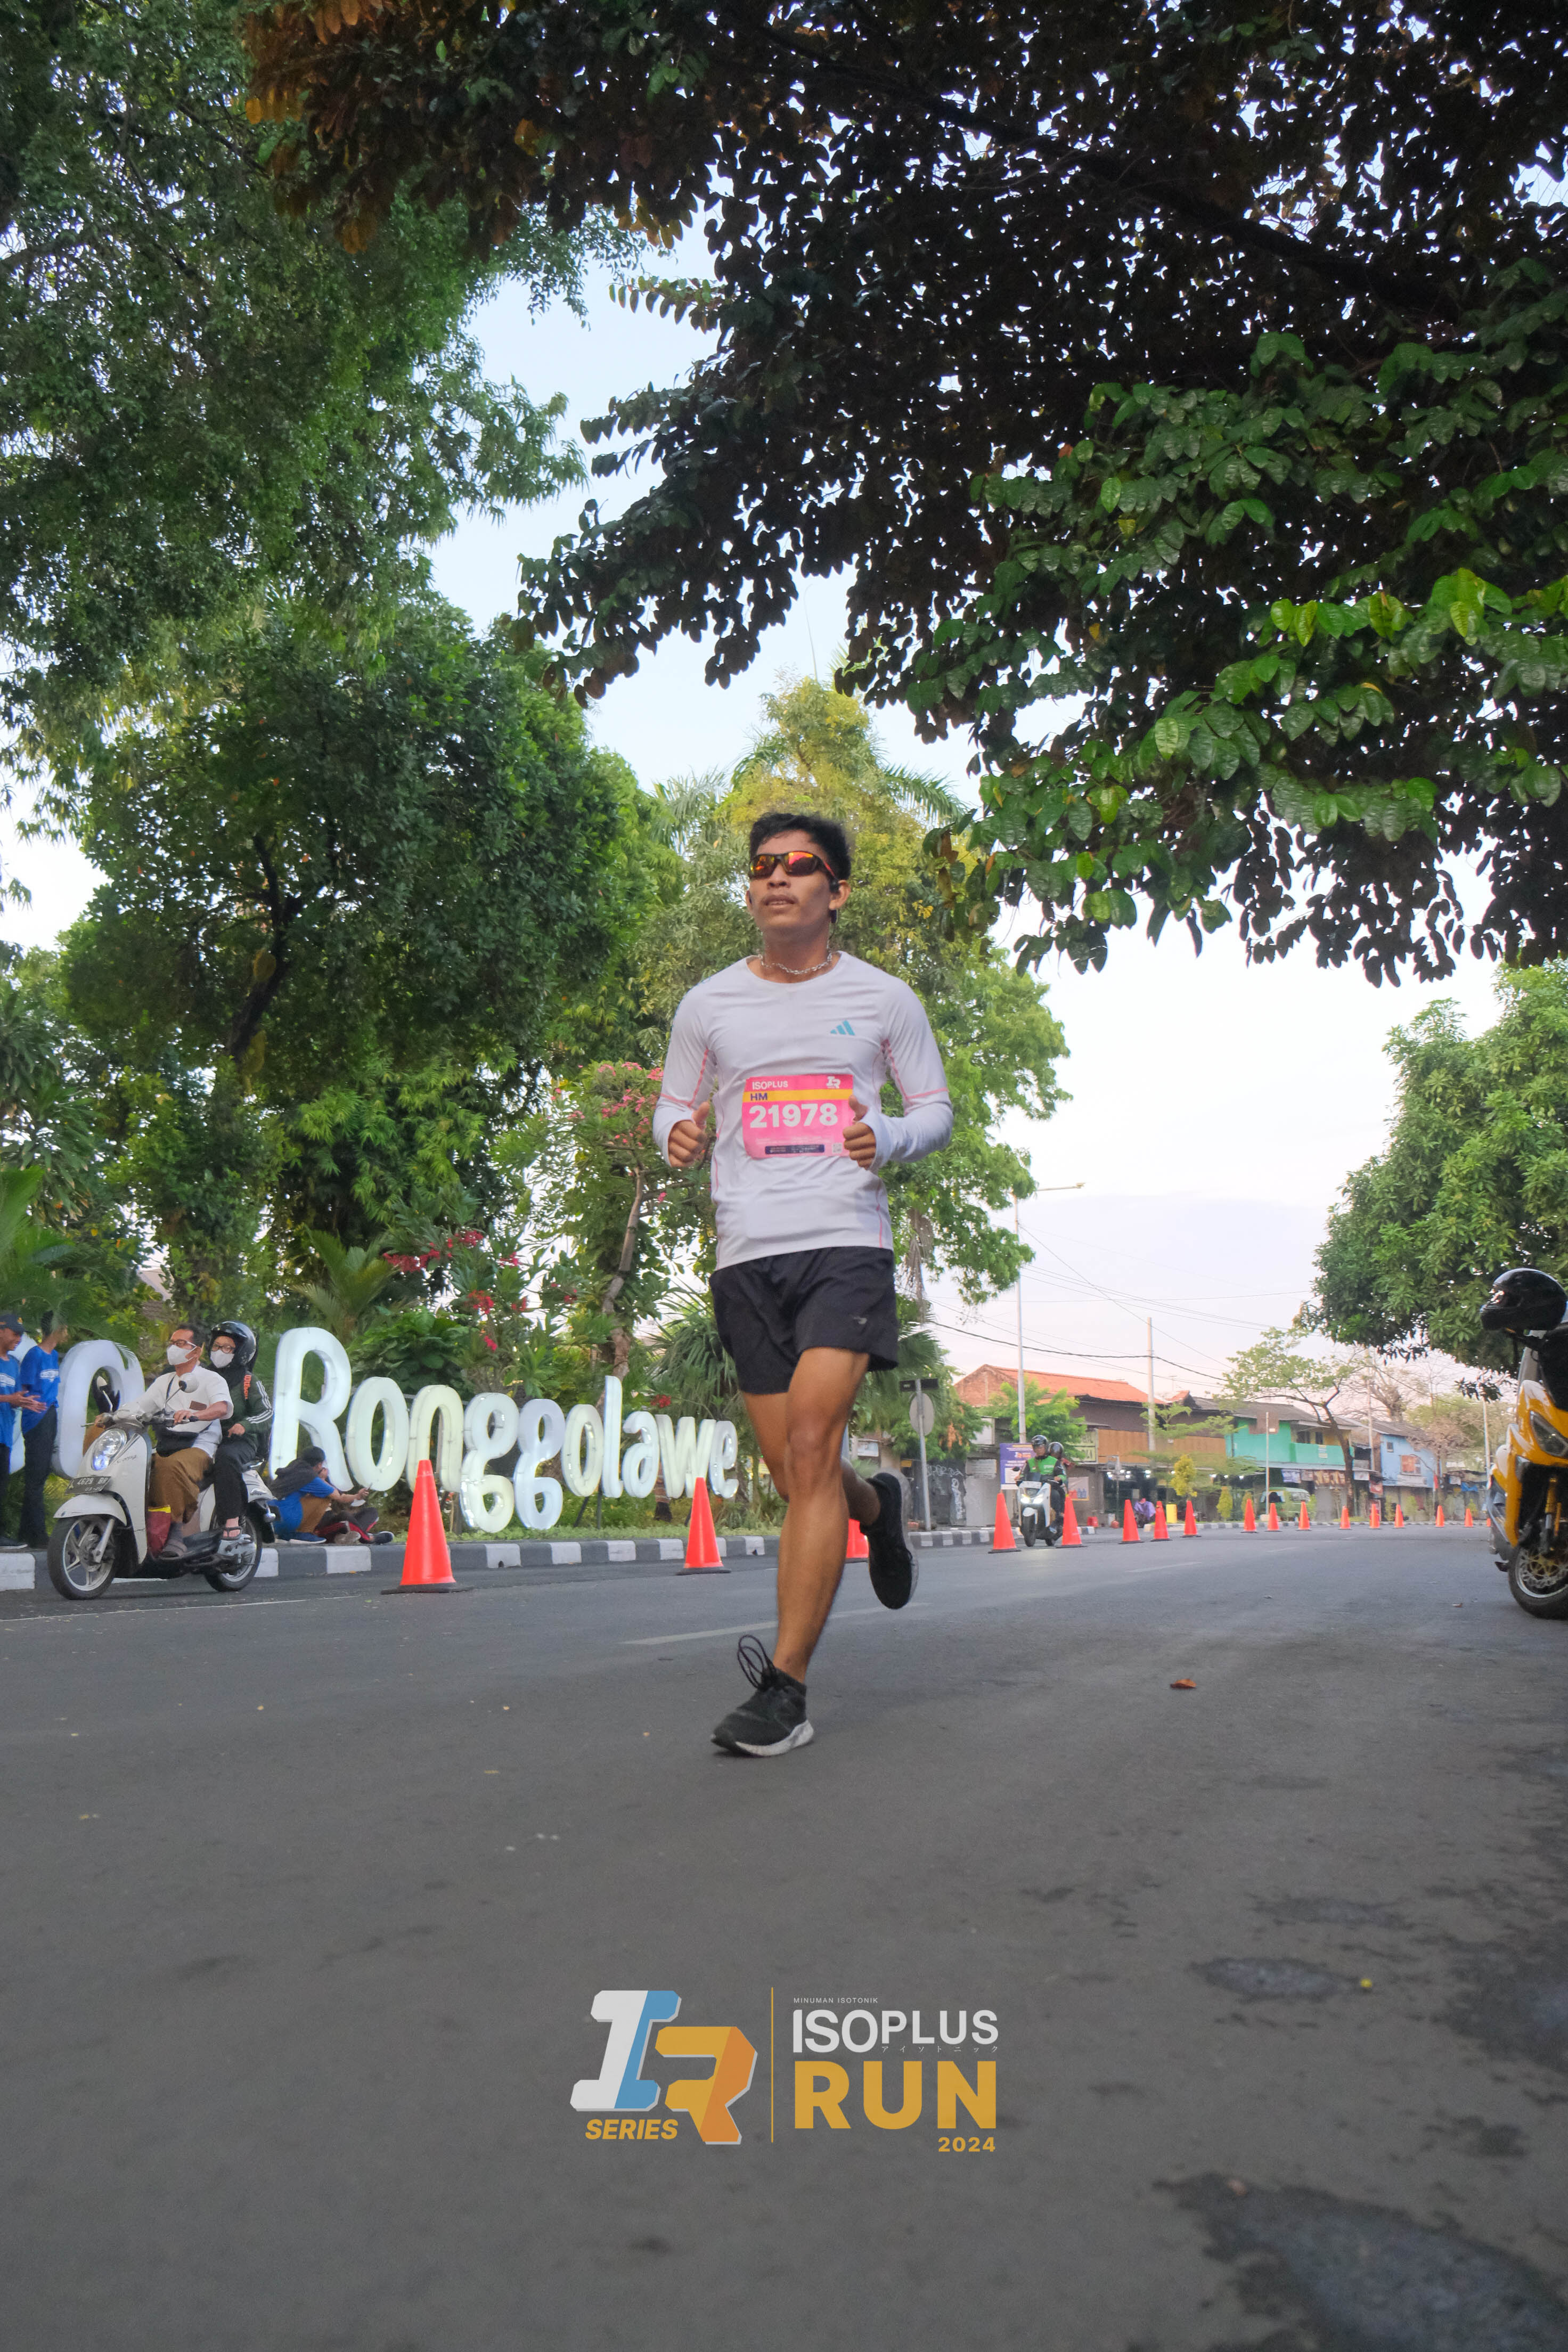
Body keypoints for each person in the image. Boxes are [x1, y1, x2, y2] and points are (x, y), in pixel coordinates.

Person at [654, 807, 953, 1757]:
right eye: (761, 867)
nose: (776, 878)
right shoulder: (708, 1004)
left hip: (843, 1243)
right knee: (797, 1475)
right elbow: (671, 1103)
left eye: (798, 864)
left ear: (837, 890)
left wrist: (889, 1135)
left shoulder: (884, 999)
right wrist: (675, 1134)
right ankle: (877, 1508)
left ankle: (784, 1690)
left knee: (817, 1442)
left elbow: (934, 1108)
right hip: (747, 1253)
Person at [141, 1322, 232, 1558]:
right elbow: (140, 1408)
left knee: (171, 1467)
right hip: (166, 1445)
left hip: (200, 1446)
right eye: (172, 1343)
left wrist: (196, 1415)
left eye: (181, 1343)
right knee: (137, 1467)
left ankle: (175, 1531)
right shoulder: (164, 1382)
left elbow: (222, 1407)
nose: (174, 1348)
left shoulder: (212, 1379)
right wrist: (112, 1415)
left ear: (197, 1351)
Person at [207, 1321, 273, 1539]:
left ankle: (231, 1521)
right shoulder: (202, 1376)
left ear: (242, 1352)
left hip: (239, 1441)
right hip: (203, 1436)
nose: (220, 1351)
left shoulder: (248, 1381)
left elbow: (267, 1412)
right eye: (217, 1346)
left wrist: (245, 1425)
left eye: (227, 1348)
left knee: (225, 1458)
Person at [11, 1320, 66, 1550]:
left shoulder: (53, 1356)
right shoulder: (35, 1355)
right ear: (56, 1329)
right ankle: (39, 1534)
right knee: (35, 1476)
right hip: (37, 1419)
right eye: (64, 1328)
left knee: (41, 1475)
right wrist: (28, 1403)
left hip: (50, 1414)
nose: (67, 1333)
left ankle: (27, 1533)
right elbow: (23, 1390)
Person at [268, 1447, 385, 1542]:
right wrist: (323, 1480)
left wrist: (357, 1497)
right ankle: (304, 1533)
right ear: (319, 1465)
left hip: (271, 1519)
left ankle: (349, 1536)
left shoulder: (294, 1467)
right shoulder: (311, 1478)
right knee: (326, 1497)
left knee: (370, 1512)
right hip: (288, 1520)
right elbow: (339, 1498)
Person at [0, 1317, 32, 1548]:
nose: (19, 1339)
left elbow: (16, 1397)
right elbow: (9, 1397)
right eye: (15, 1333)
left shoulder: (13, 1364)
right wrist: (9, 1398)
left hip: (4, 1437)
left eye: (21, 1335)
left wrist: (26, 1402)